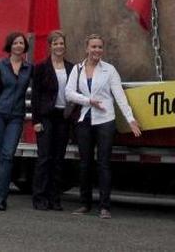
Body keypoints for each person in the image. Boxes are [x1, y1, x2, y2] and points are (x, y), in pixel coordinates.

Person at [64, 33, 141, 219]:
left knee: (104, 164)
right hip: (85, 120)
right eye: (93, 47)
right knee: (85, 164)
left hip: (105, 120)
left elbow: (119, 96)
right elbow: (69, 93)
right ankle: (84, 203)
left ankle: (104, 206)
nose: (97, 50)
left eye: (99, 47)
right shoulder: (78, 69)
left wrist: (130, 119)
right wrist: (89, 101)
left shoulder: (109, 70)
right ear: (86, 48)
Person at [0, 31, 31, 211]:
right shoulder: (0, 65)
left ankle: (1, 197)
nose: (19, 46)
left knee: (8, 155)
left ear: (25, 47)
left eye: (22, 43)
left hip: (16, 117)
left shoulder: (28, 68)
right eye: (16, 43)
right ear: (10, 46)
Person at [30, 29, 75, 210]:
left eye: (61, 43)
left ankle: (54, 198)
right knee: (44, 158)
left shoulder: (71, 68)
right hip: (46, 116)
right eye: (55, 43)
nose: (59, 47)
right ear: (50, 46)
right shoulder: (41, 67)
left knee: (58, 159)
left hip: (63, 117)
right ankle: (39, 198)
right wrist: (36, 121)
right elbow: (35, 96)